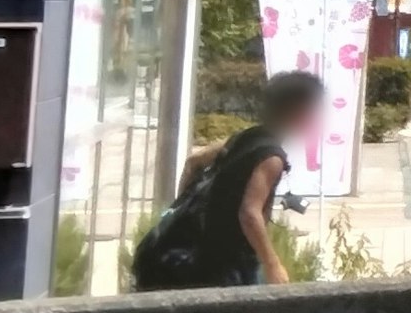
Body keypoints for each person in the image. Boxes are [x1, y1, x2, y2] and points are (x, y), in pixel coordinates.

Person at [134, 71, 324, 289]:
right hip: (227, 266)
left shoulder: (244, 138)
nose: (314, 117)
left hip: (198, 256)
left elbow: (194, 162)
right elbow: (250, 215)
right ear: (295, 111)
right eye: (311, 110)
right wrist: (273, 265)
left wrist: (187, 214)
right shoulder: (271, 158)